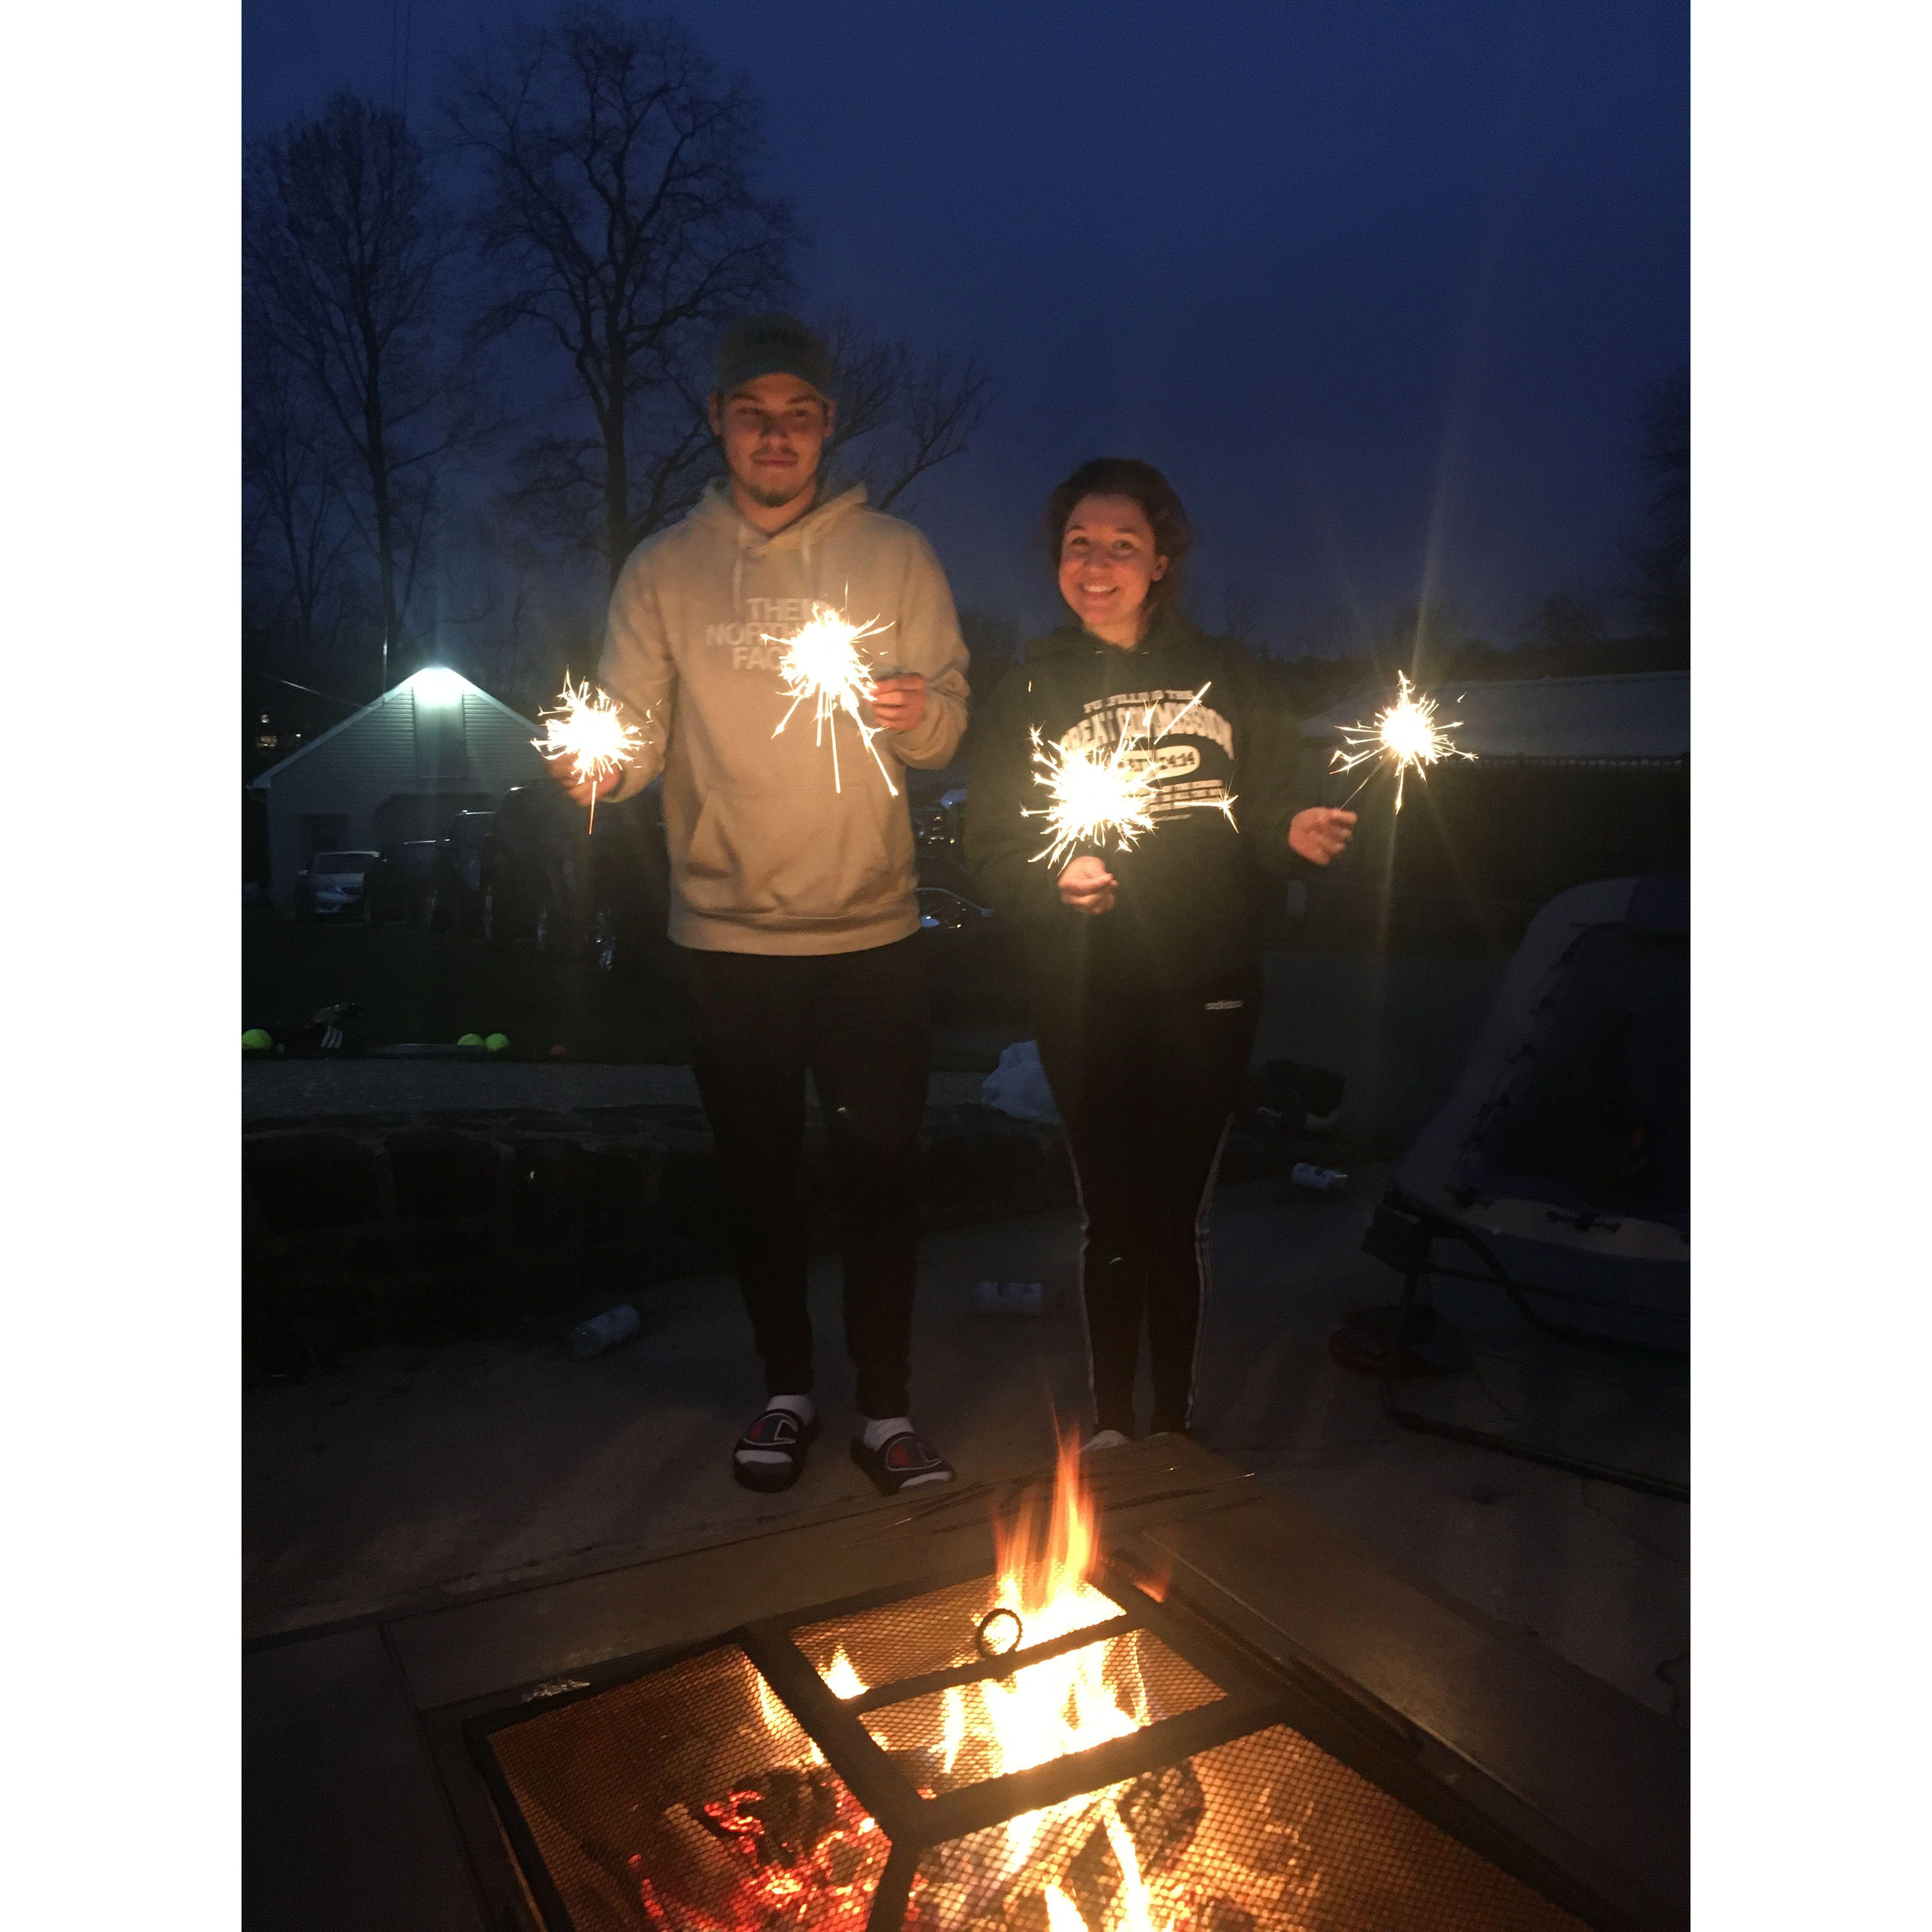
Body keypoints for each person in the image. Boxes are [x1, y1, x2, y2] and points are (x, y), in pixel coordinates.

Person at [557, 313, 971, 1497]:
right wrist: (602, 767)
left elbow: (948, 726)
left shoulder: (897, 556)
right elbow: (635, 735)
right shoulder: (664, 570)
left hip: (872, 935)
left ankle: (885, 1409)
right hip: (726, 939)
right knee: (759, 1178)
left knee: (882, 1173)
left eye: (797, 415)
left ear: (828, 425)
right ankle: (786, 1391)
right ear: (717, 423)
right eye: (753, 413)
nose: (775, 435)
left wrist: (920, 714)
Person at [965, 458, 1355, 1450]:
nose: (1097, 565)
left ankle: (1171, 1430)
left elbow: (1270, 803)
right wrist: (1051, 885)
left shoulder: (1231, 674)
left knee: (1178, 1218)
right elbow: (993, 844)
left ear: (1162, 560)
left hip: (1207, 986)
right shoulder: (1028, 689)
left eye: (1122, 545)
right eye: (1079, 545)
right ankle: (1112, 1424)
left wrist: (1293, 834)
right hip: (1083, 992)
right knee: (1110, 1215)